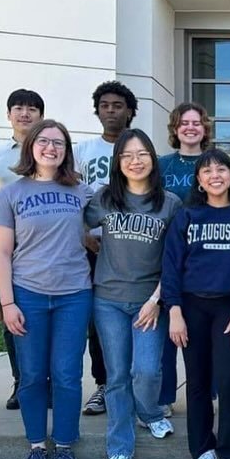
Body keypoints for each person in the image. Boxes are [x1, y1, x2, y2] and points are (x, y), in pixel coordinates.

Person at [0, 120, 92, 459]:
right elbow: (1, 253)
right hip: (28, 294)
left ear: (67, 151)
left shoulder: (81, 191)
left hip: (74, 294)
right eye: (45, 141)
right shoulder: (10, 194)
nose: (51, 148)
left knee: (66, 374)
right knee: (32, 375)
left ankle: (64, 445)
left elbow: (101, 232)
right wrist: (7, 303)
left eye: (59, 143)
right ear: (31, 145)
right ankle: (36, 446)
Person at [162, 149, 230, 459]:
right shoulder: (188, 215)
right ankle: (203, 452)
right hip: (191, 307)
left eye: (221, 169)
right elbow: (172, 265)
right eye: (207, 171)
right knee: (197, 383)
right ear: (200, 181)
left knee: (228, 381)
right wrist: (174, 310)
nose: (215, 175)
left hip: (229, 309)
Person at [87, 129, 182, 459]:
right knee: (116, 377)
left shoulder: (169, 203)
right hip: (108, 300)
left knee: (146, 371)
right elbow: (78, 227)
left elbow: (175, 260)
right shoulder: (105, 199)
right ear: (118, 162)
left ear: (153, 159)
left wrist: (156, 300)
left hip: (149, 302)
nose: (135, 161)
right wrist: (95, 248)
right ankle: (119, 450)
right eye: (127, 155)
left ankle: (151, 413)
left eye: (142, 154)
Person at [74, 80, 137, 416]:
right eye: (105, 105)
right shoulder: (82, 151)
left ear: (130, 111)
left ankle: (136, 385)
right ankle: (103, 384)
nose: (111, 111)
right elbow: (70, 199)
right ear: (97, 110)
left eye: (118, 105)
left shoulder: (138, 148)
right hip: (93, 246)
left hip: (130, 245)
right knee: (98, 320)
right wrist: (84, 234)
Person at [0, 88, 45, 410]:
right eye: (18, 108)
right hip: (9, 249)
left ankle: (44, 382)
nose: (25, 114)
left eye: (32, 109)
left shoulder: (51, 151)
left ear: (40, 116)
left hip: (47, 250)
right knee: (12, 315)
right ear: (8, 115)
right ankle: (21, 382)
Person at [157, 102, 214, 417]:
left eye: (196, 122)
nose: (190, 127)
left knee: (203, 331)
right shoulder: (161, 165)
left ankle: (208, 391)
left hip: (205, 259)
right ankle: (164, 396)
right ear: (175, 128)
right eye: (184, 123)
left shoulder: (215, 163)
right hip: (166, 255)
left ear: (204, 128)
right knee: (167, 330)